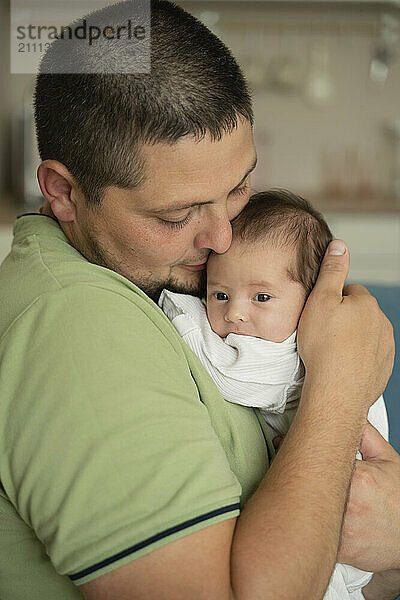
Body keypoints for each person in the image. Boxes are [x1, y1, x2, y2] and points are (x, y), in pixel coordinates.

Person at [0, 1, 398, 599]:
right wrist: (339, 390)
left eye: (238, 189)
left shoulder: (155, 292)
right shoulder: (79, 329)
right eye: (177, 215)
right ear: (64, 192)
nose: (223, 238)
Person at [158, 189, 390, 600]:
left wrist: (184, 318)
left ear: (314, 300)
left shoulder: (287, 355)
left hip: (338, 525)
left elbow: (233, 377)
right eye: (219, 294)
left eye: (261, 297)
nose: (235, 313)